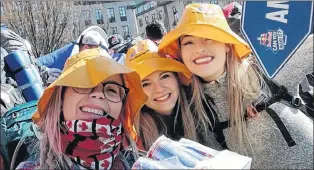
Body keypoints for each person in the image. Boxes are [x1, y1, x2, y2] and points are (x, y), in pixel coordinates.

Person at [158, 3, 313, 169]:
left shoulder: (265, 71)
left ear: (226, 44)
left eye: (209, 37)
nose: (199, 49)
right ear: (181, 52)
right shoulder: (193, 110)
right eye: (188, 42)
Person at [16, 48, 147, 169]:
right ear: (61, 100)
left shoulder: (144, 164)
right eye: (84, 84)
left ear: (121, 107)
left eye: (111, 89)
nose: (99, 94)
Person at [124, 39, 219, 151]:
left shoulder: (204, 110)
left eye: (164, 76)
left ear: (177, 78)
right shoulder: (132, 137)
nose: (159, 89)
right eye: (145, 84)